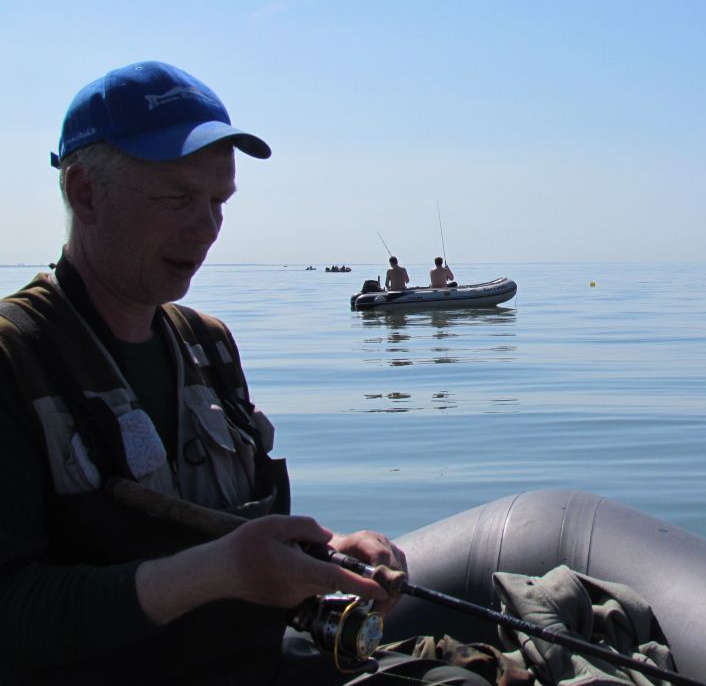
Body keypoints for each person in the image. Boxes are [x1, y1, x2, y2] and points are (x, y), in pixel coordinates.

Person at [0, 61, 487, 686]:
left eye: (218, 201)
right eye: (177, 197)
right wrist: (216, 573)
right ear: (85, 192)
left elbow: (237, 535)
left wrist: (331, 553)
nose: (207, 228)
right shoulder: (15, 358)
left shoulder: (210, 345)